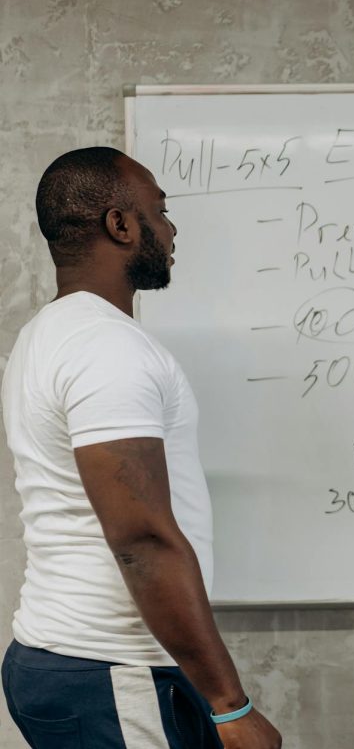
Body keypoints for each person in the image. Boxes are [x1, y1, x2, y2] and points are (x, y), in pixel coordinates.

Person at [0, 147, 282, 748]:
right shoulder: (107, 348)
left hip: (85, 662)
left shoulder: (48, 334)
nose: (172, 227)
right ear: (120, 225)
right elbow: (141, 539)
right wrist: (231, 708)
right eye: (160, 210)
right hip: (108, 668)